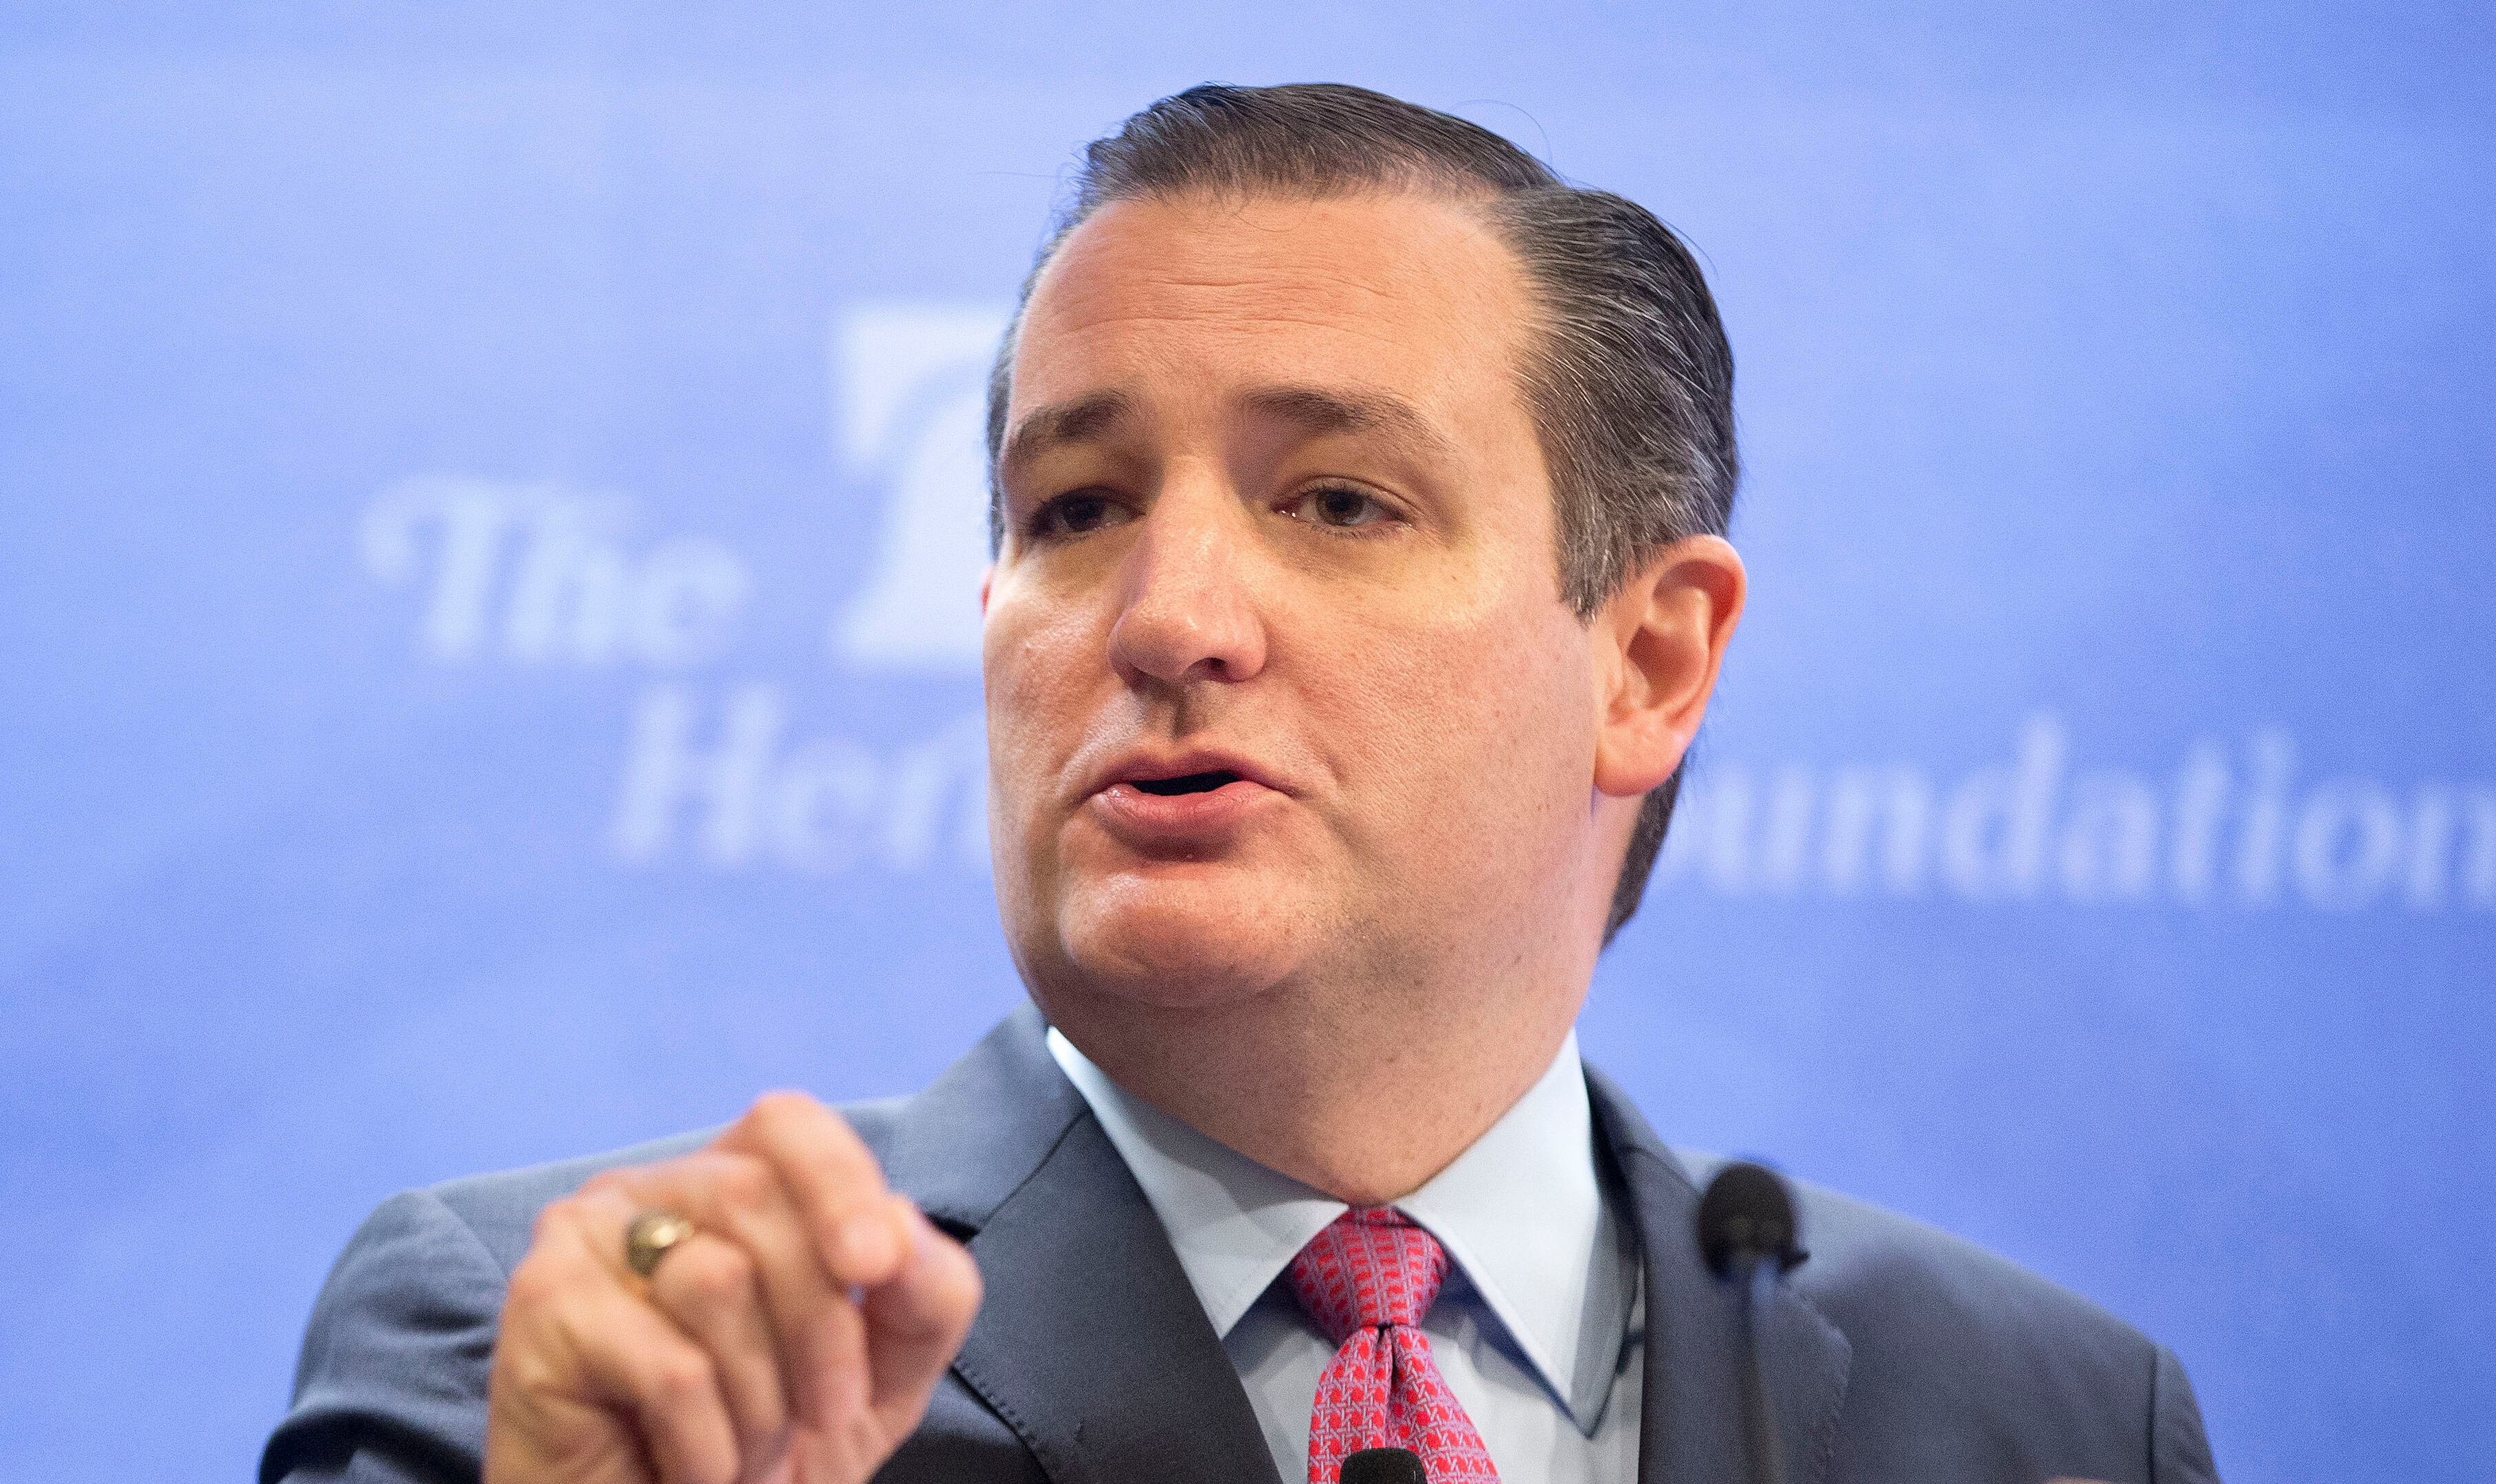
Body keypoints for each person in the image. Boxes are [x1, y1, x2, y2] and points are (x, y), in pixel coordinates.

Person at [262, 84, 2220, 1484]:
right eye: (1077, 506)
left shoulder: (2042, 1423)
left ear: (1647, 660)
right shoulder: (591, 1364)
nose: (1168, 615)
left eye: (1340, 501)